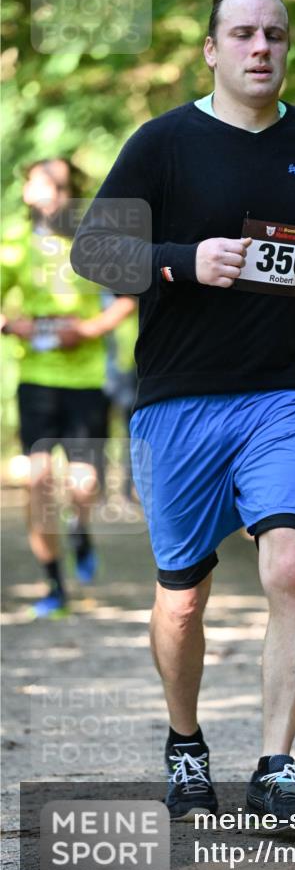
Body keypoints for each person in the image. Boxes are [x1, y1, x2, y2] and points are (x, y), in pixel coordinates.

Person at [70, 0, 295, 824]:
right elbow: (93, 253)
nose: (260, 48)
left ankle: (276, 767)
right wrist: (181, 259)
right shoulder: (163, 143)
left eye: (274, 34)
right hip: (177, 398)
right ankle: (185, 740)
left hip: (280, 393)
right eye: (242, 34)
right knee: (183, 597)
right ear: (211, 50)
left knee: (292, 564)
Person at [0, 158, 137, 618]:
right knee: (39, 482)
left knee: (84, 485)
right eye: (43, 184)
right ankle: (54, 585)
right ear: (28, 192)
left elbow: (128, 298)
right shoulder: (13, 244)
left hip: (87, 380)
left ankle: (79, 529)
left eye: (60, 186)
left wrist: (89, 330)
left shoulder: (93, 244)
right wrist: (8, 325)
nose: (52, 193)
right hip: (37, 379)